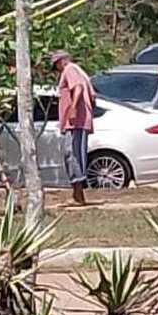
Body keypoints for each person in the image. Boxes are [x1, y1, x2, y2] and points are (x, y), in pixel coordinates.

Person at [51, 50, 96, 207]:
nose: (57, 69)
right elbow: (93, 95)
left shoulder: (70, 69)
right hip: (78, 121)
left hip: (75, 121)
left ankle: (78, 195)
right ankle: (78, 194)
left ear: (61, 61)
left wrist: (73, 108)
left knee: (72, 154)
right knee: (73, 153)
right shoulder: (81, 72)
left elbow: (78, 88)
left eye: (56, 65)